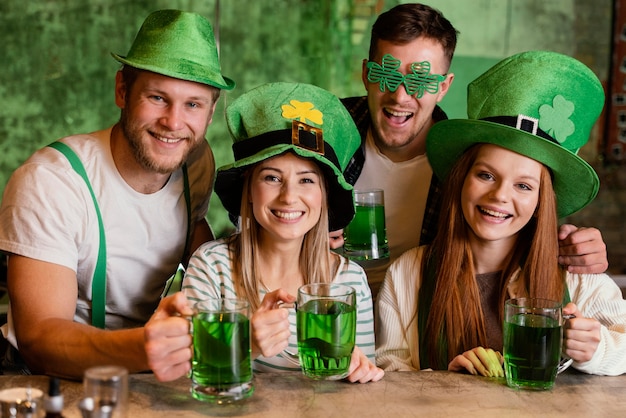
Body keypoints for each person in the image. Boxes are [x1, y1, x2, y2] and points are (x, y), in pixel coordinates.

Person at [0, 9, 234, 379]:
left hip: (149, 370)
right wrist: (144, 347)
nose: (174, 123)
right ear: (122, 91)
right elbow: (40, 338)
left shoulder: (196, 160)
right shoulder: (51, 182)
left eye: (192, 104)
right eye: (158, 97)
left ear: (209, 113)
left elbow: (193, 233)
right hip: (50, 379)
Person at [375, 50, 626, 376]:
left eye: (523, 186)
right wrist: (445, 380)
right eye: (486, 175)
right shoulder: (407, 274)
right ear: (461, 178)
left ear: (541, 201)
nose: (499, 196)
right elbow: (389, 372)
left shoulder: (578, 278)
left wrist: (597, 348)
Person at [333, 3, 609, 298]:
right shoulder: (328, 134)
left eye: (420, 81)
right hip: (326, 309)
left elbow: (514, 227)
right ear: (366, 74)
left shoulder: (467, 165)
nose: (400, 96)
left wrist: (577, 249)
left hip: (416, 317)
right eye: (387, 74)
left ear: (443, 87)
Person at [181, 82, 384, 384]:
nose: (289, 197)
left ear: (324, 196)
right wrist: (246, 345)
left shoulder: (349, 282)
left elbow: (358, 393)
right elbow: (185, 376)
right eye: (272, 177)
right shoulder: (211, 267)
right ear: (248, 190)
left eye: (306, 181)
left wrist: (360, 372)